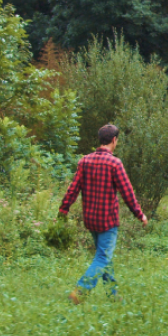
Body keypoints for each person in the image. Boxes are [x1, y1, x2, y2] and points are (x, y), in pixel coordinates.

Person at [59, 124, 147, 303]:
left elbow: (73, 188)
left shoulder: (85, 161)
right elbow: (127, 193)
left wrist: (63, 209)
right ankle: (80, 291)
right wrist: (140, 214)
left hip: (90, 220)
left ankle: (112, 295)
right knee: (102, 257)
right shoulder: (115, 163)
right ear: (114, 140)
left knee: (104, 256)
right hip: (107, 222)